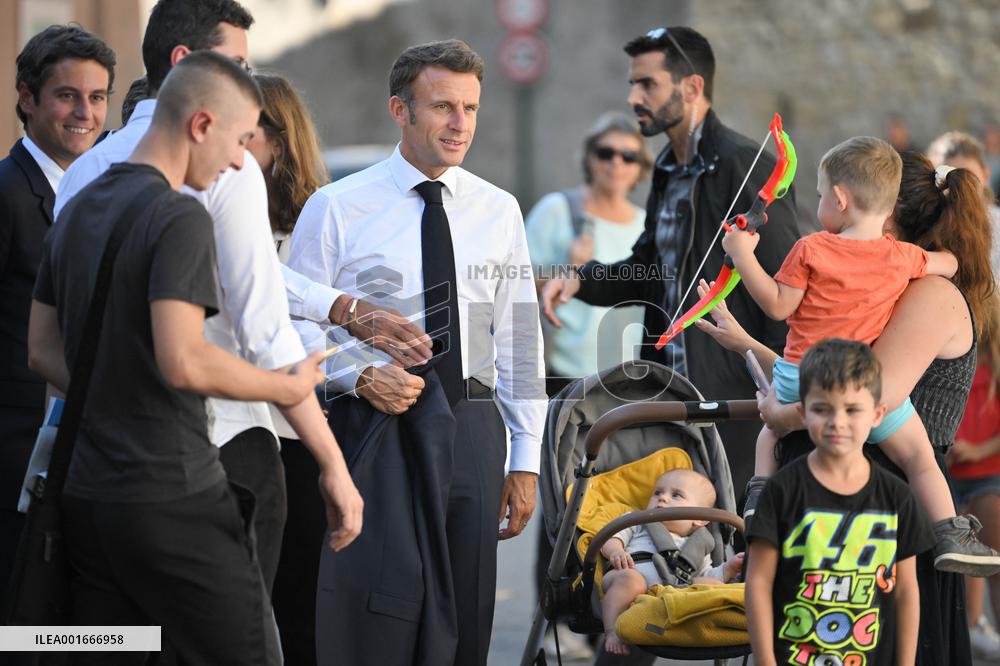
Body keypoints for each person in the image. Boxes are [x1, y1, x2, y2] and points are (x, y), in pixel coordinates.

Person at [53, 0, 363, 596]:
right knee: (237, 644)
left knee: (122, 644)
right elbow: (261, 334)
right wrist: (332, 464)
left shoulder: (81, 177)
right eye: (238, 63)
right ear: (185, 63)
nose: (248, 81)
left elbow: (47, 348)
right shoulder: (224, 170)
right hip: (213, 452)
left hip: (94, 461)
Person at [27, 51, 326, 665]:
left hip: (87, 492)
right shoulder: (180, 215)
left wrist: (114, 387)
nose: (241, 160)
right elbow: (184, 361)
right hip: (172, 490)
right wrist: (280, 382)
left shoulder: (79, 202)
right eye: (239, 139)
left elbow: (42, 350)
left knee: (115, 652)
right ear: (200, 125)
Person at [290, 39, 547, 666]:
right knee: (376, 619)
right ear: (399, 110)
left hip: (473, 429)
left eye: (470, 108)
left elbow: (518, 337)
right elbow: (289, 323)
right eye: (442, 107)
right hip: (376, 430)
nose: (460, 124)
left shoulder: (499, 209)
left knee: (467, 615)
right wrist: (358, 374)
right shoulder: (336, 207)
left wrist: (525, 458)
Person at [697, 150, 995, 664]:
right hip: (841, 493)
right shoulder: (884, 278)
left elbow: (872, 396)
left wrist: (784, 416)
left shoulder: (927, 290)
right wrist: (749, 345)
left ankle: (954, 535)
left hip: (882, 507)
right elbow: (830, 376)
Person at [540, 26, 800, 497]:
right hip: (668, 397)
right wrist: (577, 280)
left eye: (647, 84)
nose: (633, 96)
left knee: (738, 543)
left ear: (692, 87)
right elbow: (648, 270)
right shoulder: (664, 167)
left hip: (739, 405)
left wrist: (780, 391)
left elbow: (788, 284)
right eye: (632, 84)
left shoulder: (745, 163)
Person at [0, 24, 114, 618]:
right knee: (20, 615)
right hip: (16, 448)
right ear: (27, 98)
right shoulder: (6, 192)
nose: (85, 112)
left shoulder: (99, 194)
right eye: (68, 95)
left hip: (84, 445)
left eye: (97, 98)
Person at [745, 339, 933, 666]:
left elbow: (906, 591)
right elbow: (758, 582)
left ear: (877, 415)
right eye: (822, 409)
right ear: (802, 412)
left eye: (852, 409)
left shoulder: (898, 497)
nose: (837, 422)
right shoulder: (782, 491)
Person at [245, 71, 329, 666]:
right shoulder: (218, 213)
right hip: (233, 437)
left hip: (299, 439)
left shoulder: (313, 225)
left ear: (278, 140)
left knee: (296, 608)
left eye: (244, 132)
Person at [526, 112, 651, 396]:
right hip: (563, 372)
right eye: (605, 152)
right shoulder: (556, 210)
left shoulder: (647, 225)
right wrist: (569, 269)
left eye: (629, 156)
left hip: (630, 375)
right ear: (590, 158)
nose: (616, 162)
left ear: (641, 167)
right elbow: (515, 282)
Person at [599, 468, 743, 656]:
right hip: (630, 579)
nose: (663, 498)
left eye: (676, 495)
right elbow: (611, 537)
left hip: (671, 595)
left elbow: (704, 575)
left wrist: (727, 569)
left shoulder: (698, 545)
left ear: (699, 519)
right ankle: (612, 632)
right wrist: (616, 551)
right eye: (658, 492)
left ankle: (723, 617)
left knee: (710, 584)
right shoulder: (638, 521)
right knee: (631, 580)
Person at [945, 294, 1000, 659]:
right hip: (950, 475)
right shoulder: (952, 361)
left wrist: (979, 450)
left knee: (993, 562)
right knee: (962, 563)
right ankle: (971, 628)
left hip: (988, 477)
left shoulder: (995, 367)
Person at [927, 130, 1000, 276]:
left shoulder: (998, 223)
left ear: (985, 176)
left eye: (969, 178)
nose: (960, 189)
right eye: (950, 180)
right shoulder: (926, 227)